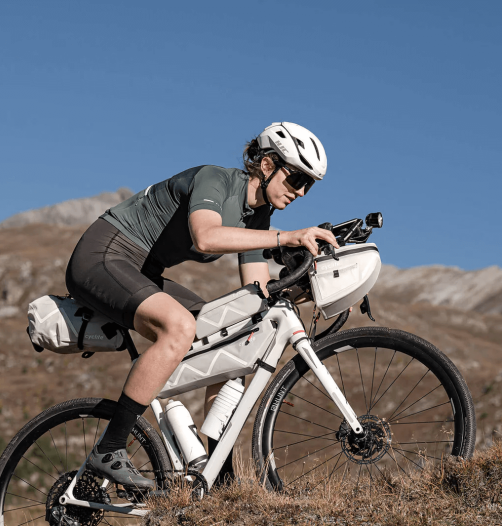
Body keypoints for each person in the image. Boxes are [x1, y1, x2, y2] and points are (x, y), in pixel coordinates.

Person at [64, 122, 339, 492]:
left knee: (232, 335)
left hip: (142, 272)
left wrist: (304, 288)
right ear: (268, 164)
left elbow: (258, 293)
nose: (301, 192)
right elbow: (206, 237)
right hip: (104, 254)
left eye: (310, 185)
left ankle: (219, 479)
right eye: (297, 179)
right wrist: (287, 236)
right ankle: (109, 448)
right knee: (180, 326)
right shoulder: (215, 180)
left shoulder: (259, 216)